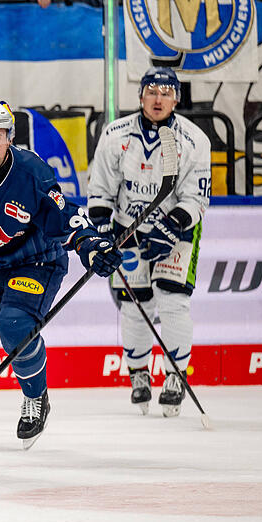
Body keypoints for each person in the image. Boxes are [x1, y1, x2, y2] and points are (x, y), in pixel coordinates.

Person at [0, 100, 122, 449]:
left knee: (15, 326)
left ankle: (35, 396)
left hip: (35, 261)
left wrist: (91, 244)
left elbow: (65, 215)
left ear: (9, 138)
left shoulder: (31, 171)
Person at [87, 66, 211, 418]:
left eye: (166, 93)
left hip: (177, 229)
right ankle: (139, 373)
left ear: (177, 99)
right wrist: (103, 230)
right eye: (152, 92)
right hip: (128, 228)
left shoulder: (194, 140)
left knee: (173, 302)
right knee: (134, 304)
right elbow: (100, 188)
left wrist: (170, 227)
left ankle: (175, 376)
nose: (158, 99)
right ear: (141, 96)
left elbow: (197, 198)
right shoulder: (115, 134)